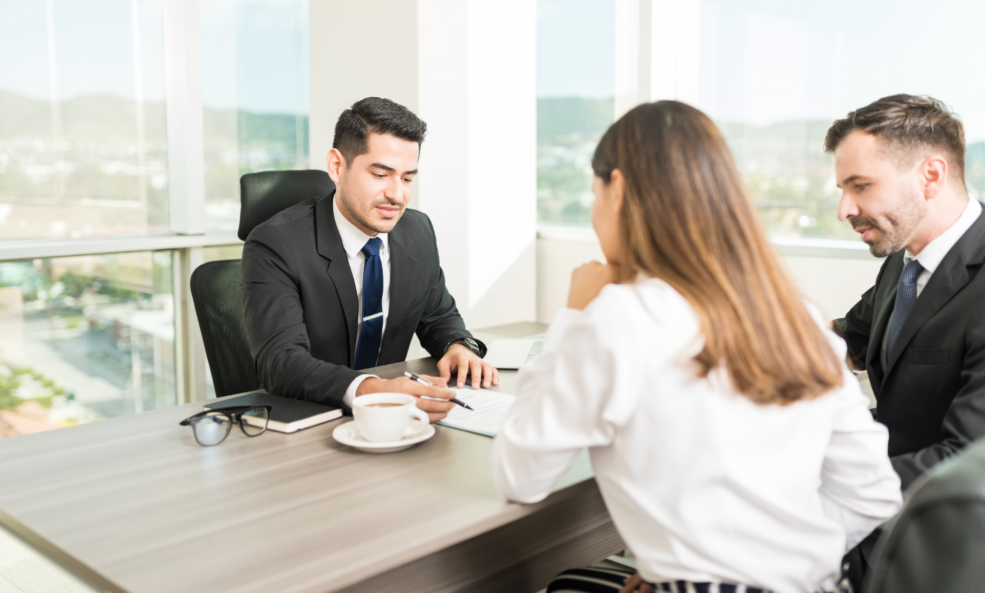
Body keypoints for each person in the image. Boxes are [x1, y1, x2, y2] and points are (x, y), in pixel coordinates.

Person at [492, 101, 901, 593]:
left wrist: (572, 318)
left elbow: (521, 476)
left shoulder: (621, 317)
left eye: (593, 191)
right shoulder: (800, 320)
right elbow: (873, 495)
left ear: (617, 189)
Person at [241, 97, 498, 418]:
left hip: (395, 420)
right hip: (311, 419)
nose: (397, 194)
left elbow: (439, 316)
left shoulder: (417, 230)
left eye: (407, 178)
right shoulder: (276, 243)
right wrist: (377, 390)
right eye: (380, 174)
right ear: (337, 166)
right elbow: (280, 361)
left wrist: (458, 346)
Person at [825, 94, 985, 590]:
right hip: (876, 529)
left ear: (931, 176)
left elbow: (964, 458)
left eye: (861, 186)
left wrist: (816, 484)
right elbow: (847, 337)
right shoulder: (905, 258)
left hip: (948, 554)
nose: (844, 209)